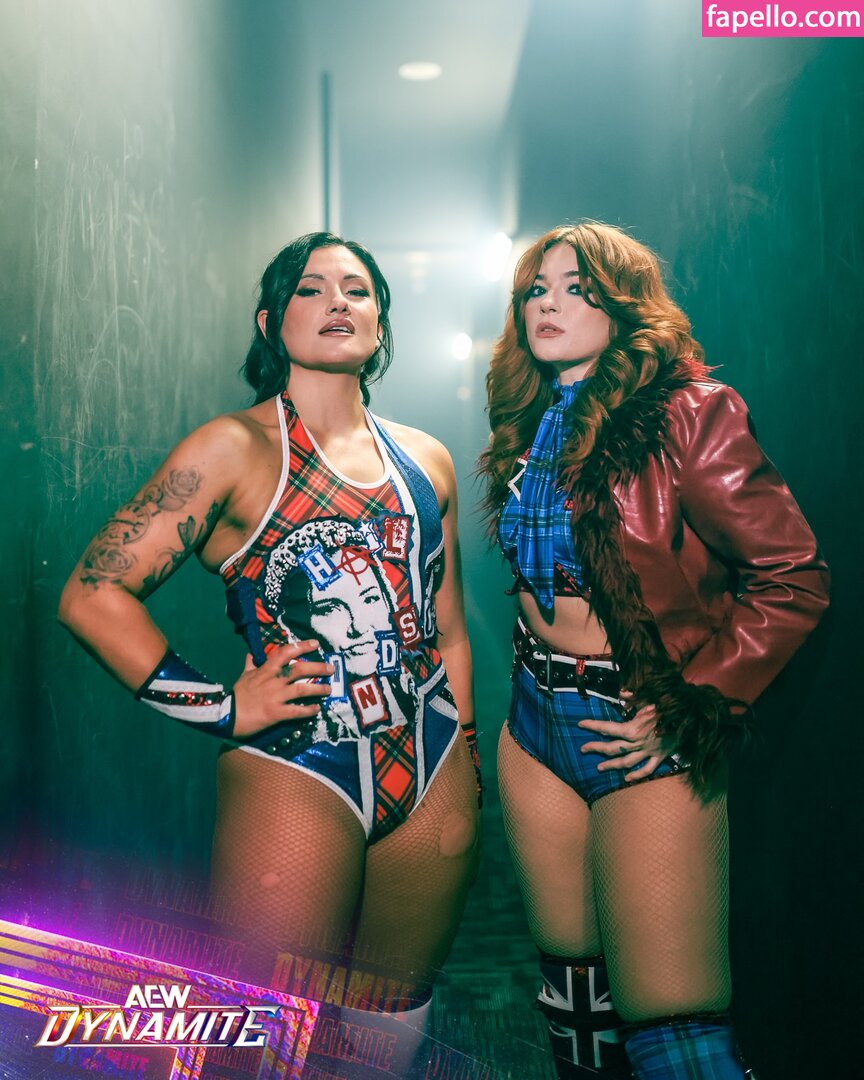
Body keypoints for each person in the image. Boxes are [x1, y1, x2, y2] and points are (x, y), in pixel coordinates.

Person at [59, 231, 480, 1075]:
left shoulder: (426, 460)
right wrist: (221, 707)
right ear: (269, 321)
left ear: (381, 319)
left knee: (383, 1038)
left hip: (431, 770)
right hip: (299, 769)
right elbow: (91, 596)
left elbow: (449, 626)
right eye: (311, 289)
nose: (337, 302)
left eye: (357, 289)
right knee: (268, 1042)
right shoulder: (234, 448)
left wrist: (465, 754)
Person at [479, 222, 829, 1080]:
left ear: (624, 307)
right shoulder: (528, 420)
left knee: (675, 1028)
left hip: (637, 722)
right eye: (536, 290)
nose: (550, 304)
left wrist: (693, 702)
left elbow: (793, 577)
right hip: (533, 725)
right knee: (575, 1005)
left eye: (577, 288)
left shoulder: (690, 413)